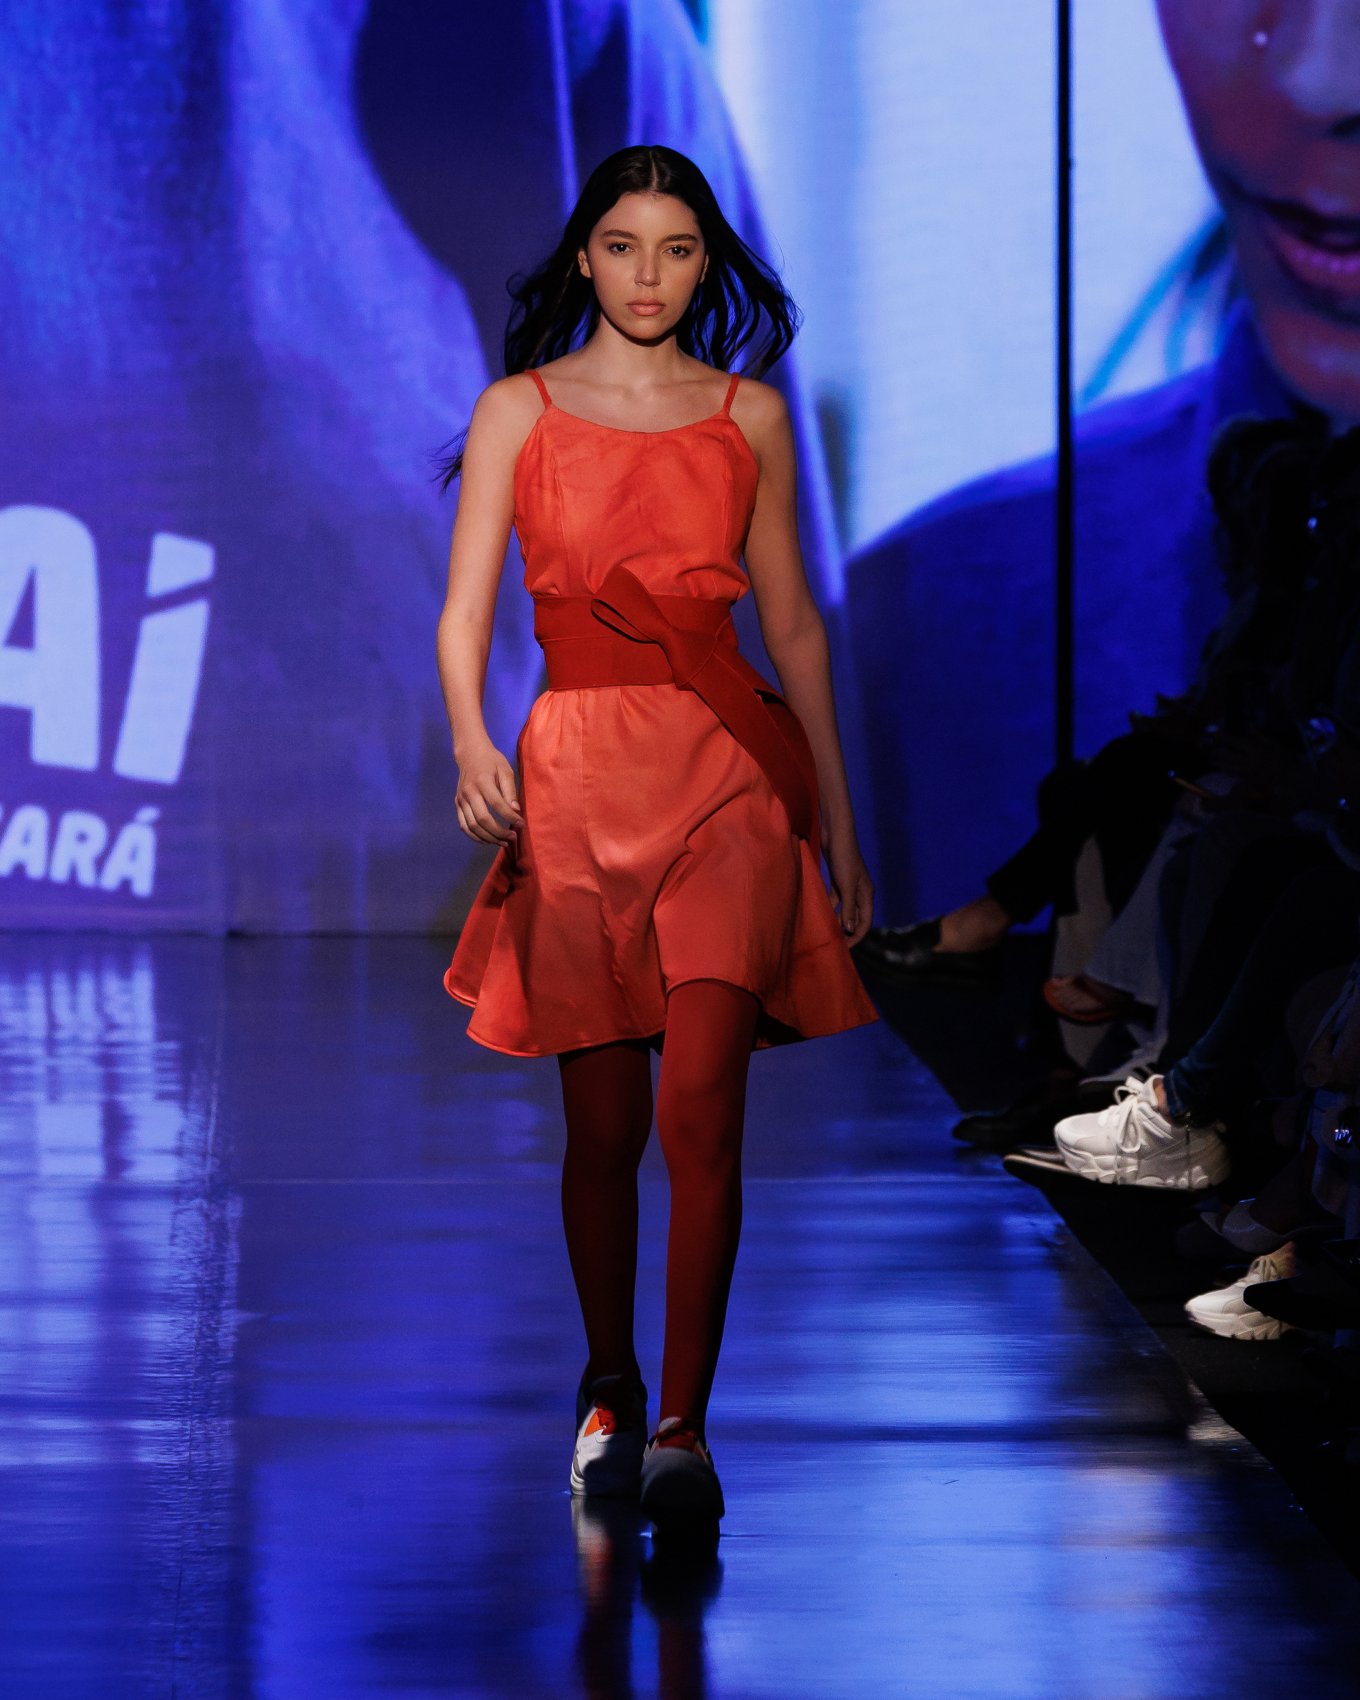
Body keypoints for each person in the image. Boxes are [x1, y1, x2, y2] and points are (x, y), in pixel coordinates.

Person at [434, 145, 879, 1532]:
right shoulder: (519, 410)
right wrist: (472, 740)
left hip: (727, 775)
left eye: (677, 250)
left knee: (700, 1107)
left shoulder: (749, 416)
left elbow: (792, 621)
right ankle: (612, 1384)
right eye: (623, 246)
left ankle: (684, 1427)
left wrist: (836, 819)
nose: (649, 275)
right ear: (585, 257)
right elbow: (464, 612)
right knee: (604, 1127)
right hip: (574, 778)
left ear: (705, 264)